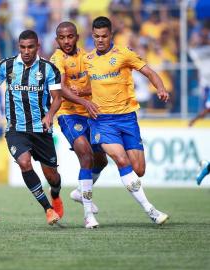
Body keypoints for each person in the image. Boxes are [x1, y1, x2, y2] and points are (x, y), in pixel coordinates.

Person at [84, 16, 169, 225]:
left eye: (104, 36)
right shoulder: (86, 59)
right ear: (92, 36)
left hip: (127, 118)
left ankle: (82, 189)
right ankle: (151, 211)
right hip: (101, 120)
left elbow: (149, 71)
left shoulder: (124, 54)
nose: (100, 40)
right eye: (96, 36)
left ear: (110, 35)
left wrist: (160, 87)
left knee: (138, 169)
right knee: (121, 160)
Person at [0, 30, 63, 225]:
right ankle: (48, 209)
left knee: (52, 176)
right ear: (18, 47)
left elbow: (57, 99)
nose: (26, 51)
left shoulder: (49, 69)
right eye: (22, 47)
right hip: (16, 128)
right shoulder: (6, 65)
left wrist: (49, 115)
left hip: (41, 129)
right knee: (24, 163)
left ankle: (55, 195)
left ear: (37, 46)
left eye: (30, 47)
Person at [50, 21, 107, 229]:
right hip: (69, 114)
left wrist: (83, 94)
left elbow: (95, 84)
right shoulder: (56, 59)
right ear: (57, 40)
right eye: (62, 38)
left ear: (77, 37)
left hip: (90, 113)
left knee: (101, 160)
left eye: (70, 37)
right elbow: (62, 88)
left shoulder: (87, 57)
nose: (66, 41)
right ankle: (88, 215)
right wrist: (83, 99)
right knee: (85, 154)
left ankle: (79, 192)